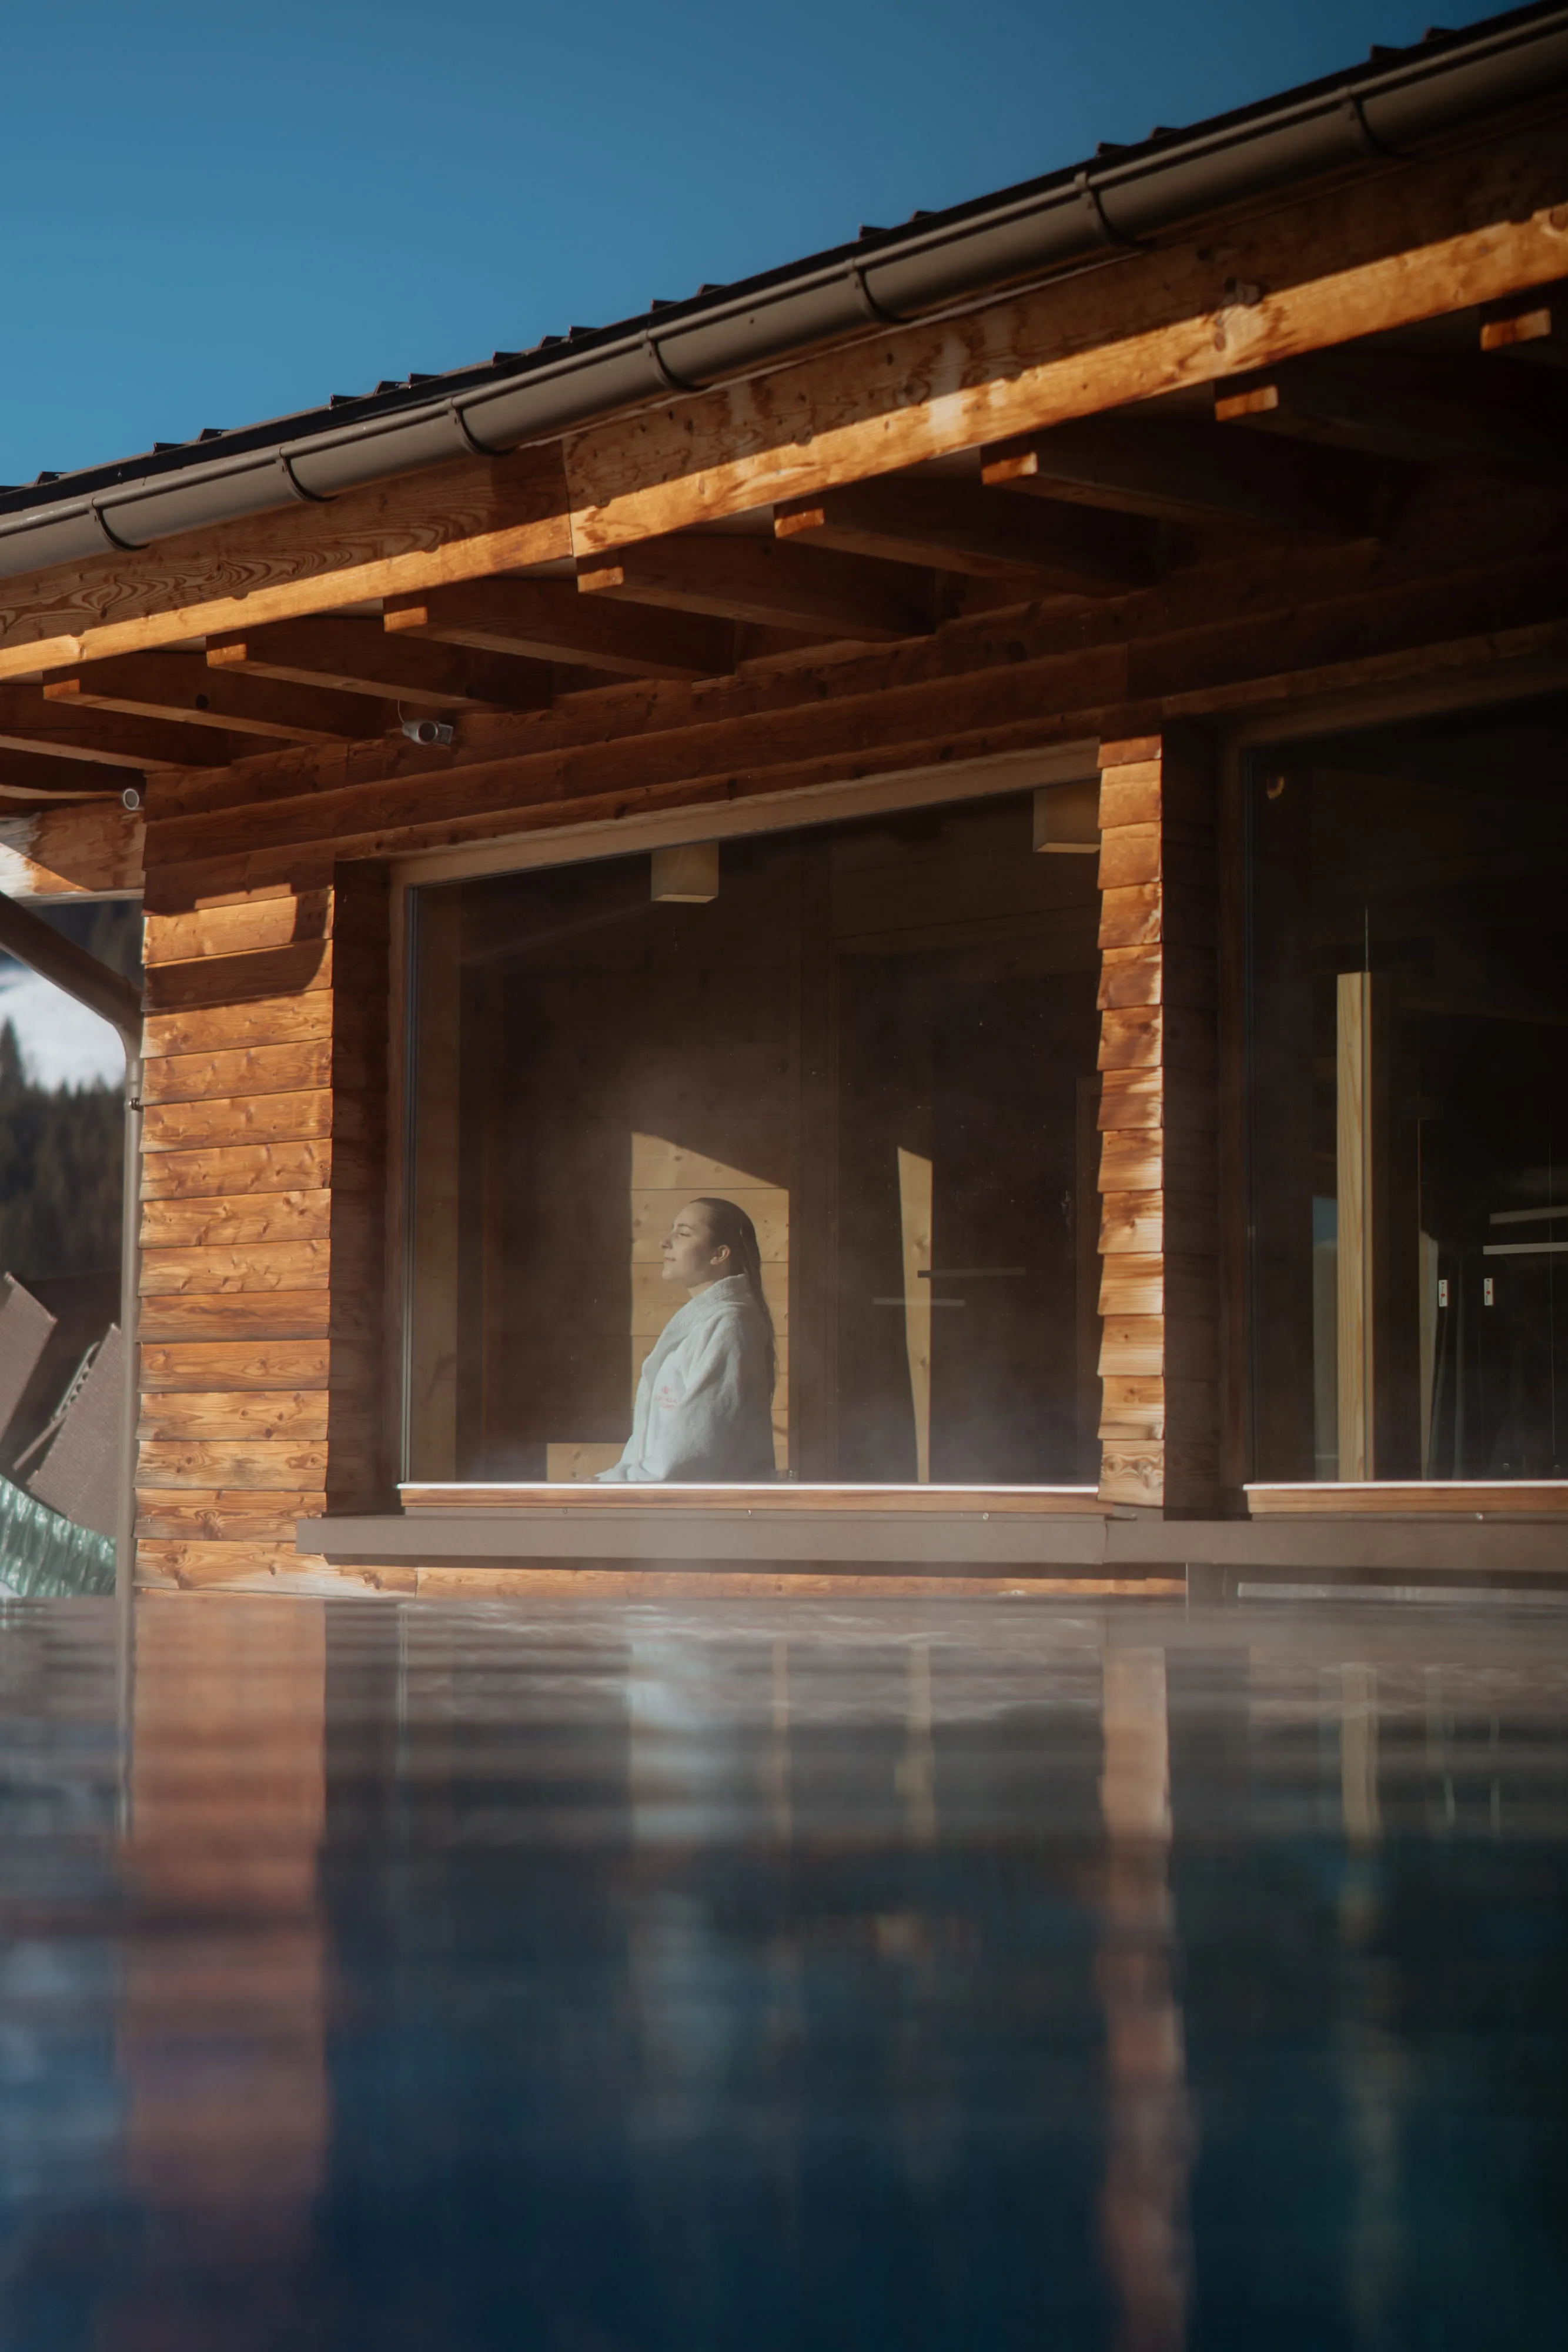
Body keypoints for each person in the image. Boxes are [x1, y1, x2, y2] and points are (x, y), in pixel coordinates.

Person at [597, 1197, 777, 1483]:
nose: (665, 1242)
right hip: (673, 1506)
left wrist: (615, 1484)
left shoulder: (729, 1326)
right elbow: (653, 1437)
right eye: (672, 1230)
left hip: (703, 1514)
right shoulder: (705, 1324)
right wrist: (614, 1480)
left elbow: (696, 1445)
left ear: (719, 1254)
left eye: (683, 1233)